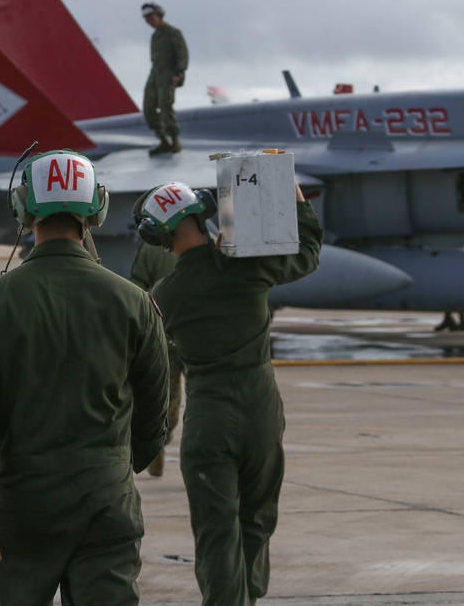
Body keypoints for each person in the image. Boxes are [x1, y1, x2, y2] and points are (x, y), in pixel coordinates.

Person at [0, 150, 170, 605]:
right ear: (96, 209)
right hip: (107, 499)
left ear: (23, 208)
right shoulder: (135, 301)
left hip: (23, 505)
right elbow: (153, 418)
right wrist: (112, 469)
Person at [136, 180, 322, 606]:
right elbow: (308, 253)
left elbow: (134, 352)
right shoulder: (249, 267)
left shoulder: (166, 294)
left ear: (157, 236)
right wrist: (290, 191)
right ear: (202, 216)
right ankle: (249, 598)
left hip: (210, 416)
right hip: (262, 409)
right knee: (256, 519)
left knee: (218, 531)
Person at [129, 237, 183, 477]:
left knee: (166, 395)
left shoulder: (150, 249)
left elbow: (138, 287)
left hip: (162, 335)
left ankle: (158, 442)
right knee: (204, 393)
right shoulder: (208, 241)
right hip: (197, 336)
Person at [141, 2, 188, 156]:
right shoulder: (155, 36)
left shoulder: (173, 33)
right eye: (147, 20)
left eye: (152, 18)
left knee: (165, 107)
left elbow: (182, 54)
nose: (150, 22)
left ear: (159, 15)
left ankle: (174, 139)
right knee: (148, 108)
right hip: (155, 74)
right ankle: (163, 141)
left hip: (169, 75)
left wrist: (178, 73)